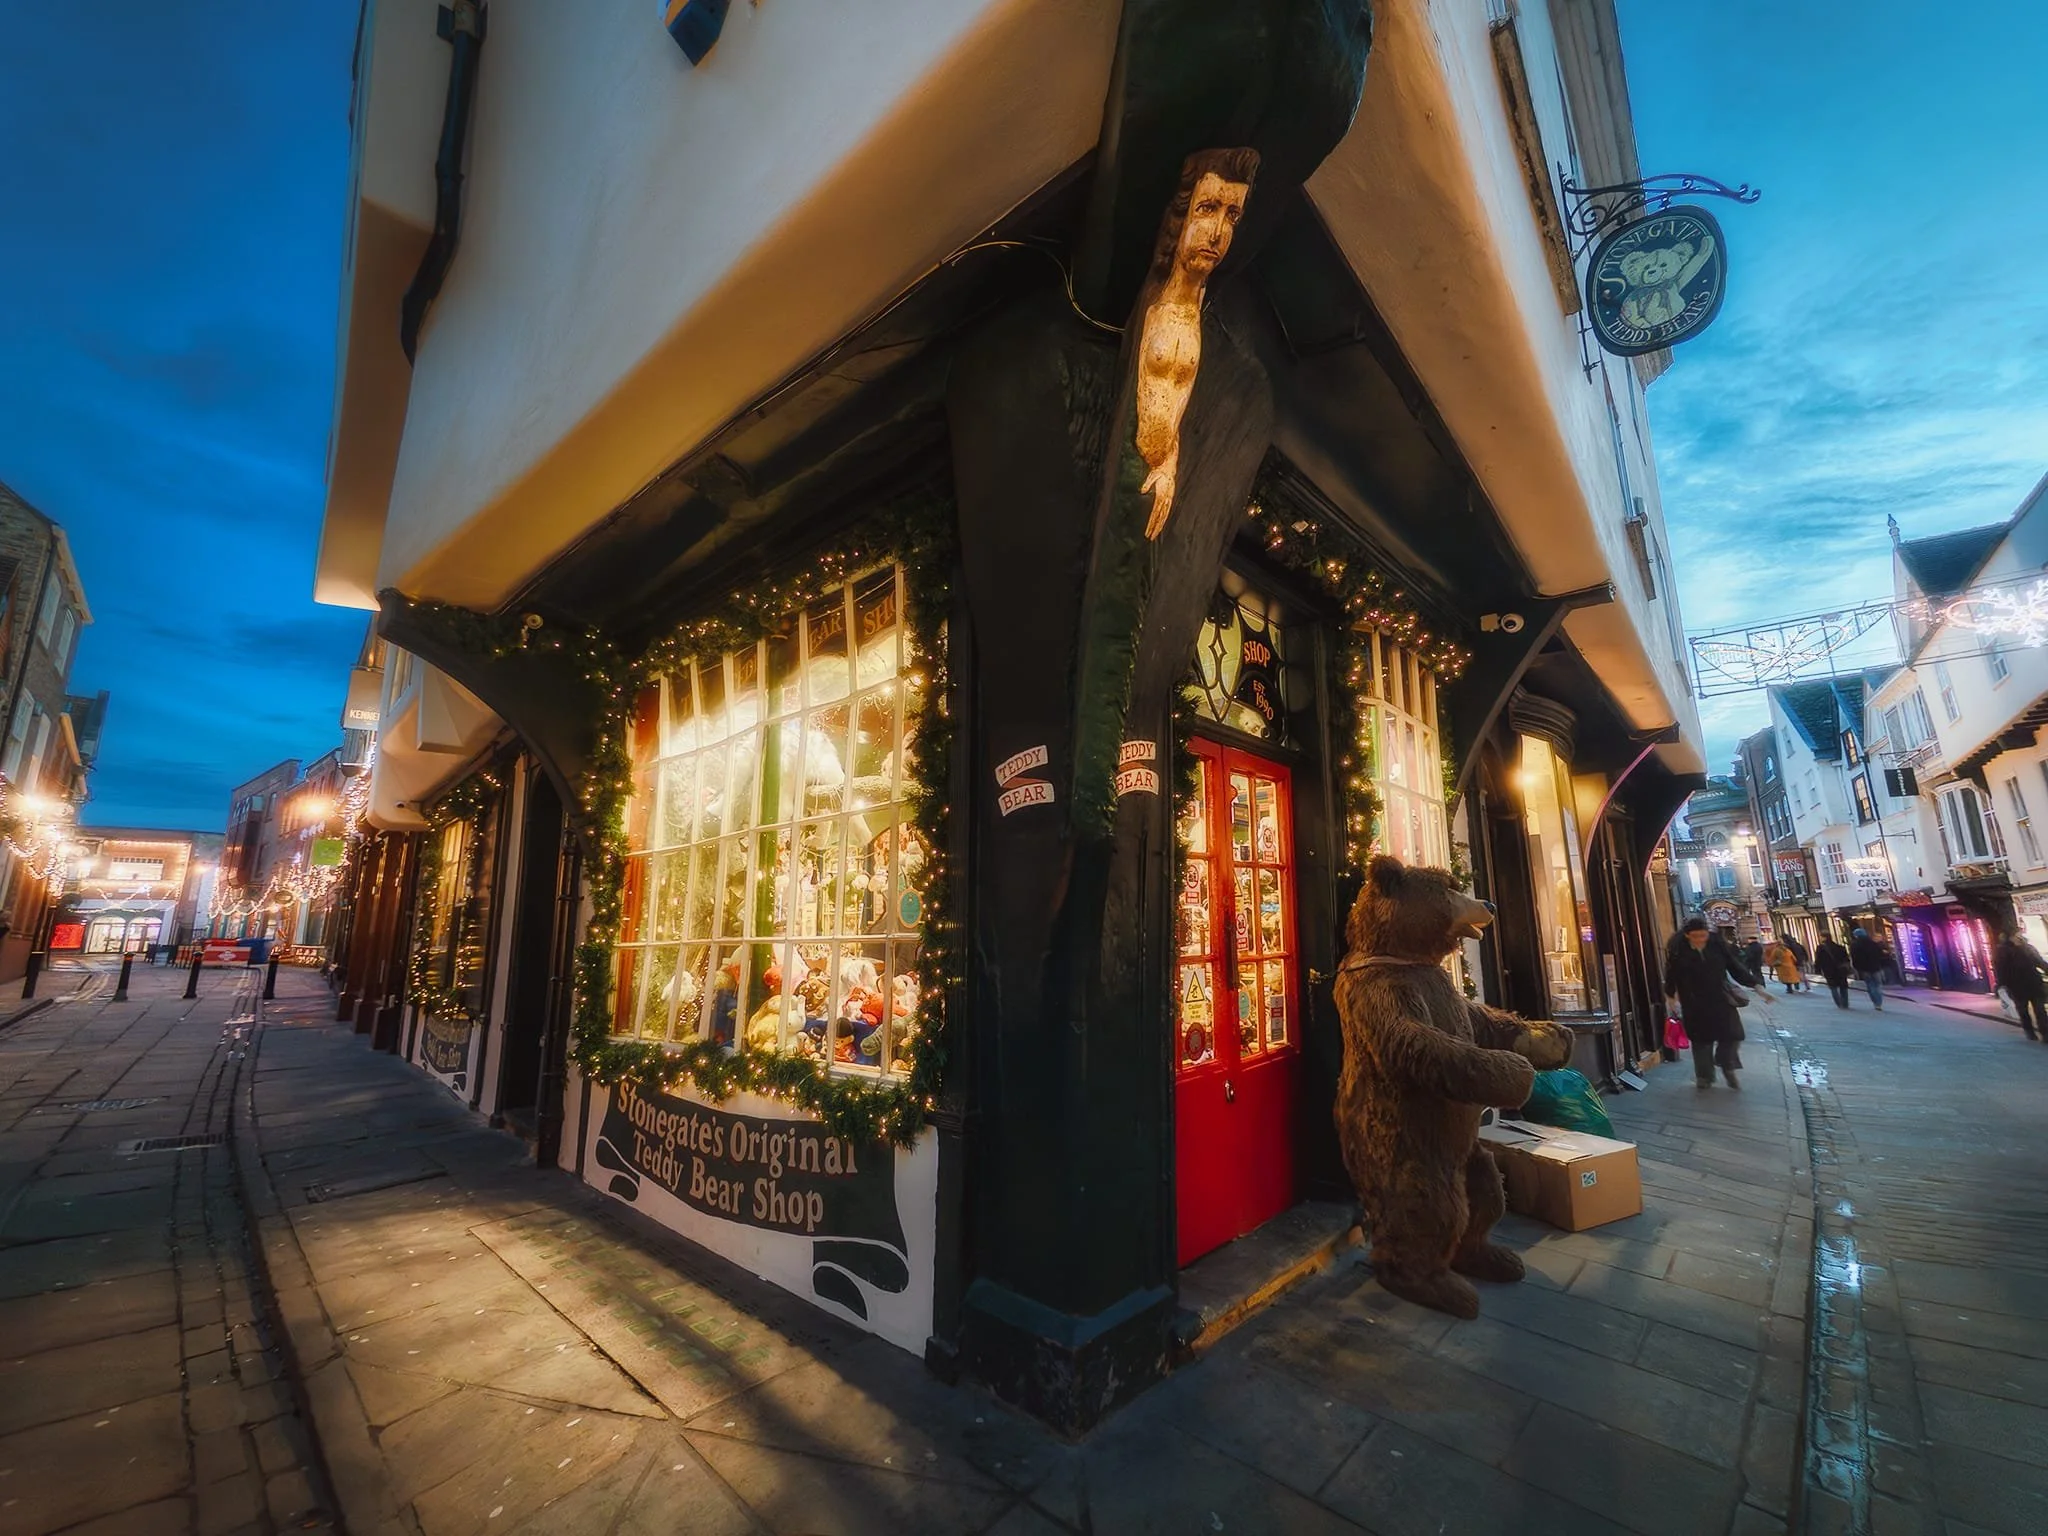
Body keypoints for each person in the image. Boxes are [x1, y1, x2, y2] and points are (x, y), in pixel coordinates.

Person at [1665, 917, 1763, 1089]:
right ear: (1687, 935)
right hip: (1693, 1002)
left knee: (1733, 1035)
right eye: (1696, 936)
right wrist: (1670, 997)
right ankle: (1704, 1077)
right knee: (1701, 1040)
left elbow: (1734, 967)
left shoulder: (1716, 945)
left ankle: (1727, 1065)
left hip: (1720, 999)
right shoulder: (1678, 951)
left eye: (1703, 935)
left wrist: (1755, 984)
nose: (1701, 939)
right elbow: (1671, 975)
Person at [1992, 928, 2048, 1042]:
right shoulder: (2003, 950)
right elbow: (2000, 969)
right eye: (2017, 935)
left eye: (2020, 935)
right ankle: (2029, 1031)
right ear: (2011, 937)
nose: (2020, 937)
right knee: (2023, 1010)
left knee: (2040, 1010)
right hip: (2017, 985)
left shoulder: (2028, 948)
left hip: (2034, 983)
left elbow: (2039, 962)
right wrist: (2001, 984)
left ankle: (2046, 1034)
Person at [1849, 926, 1891, 1010]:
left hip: (1864, 969)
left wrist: (1856, 967)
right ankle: (1879, 1003)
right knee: (1878, 985)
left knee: (1870, 985)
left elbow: (1854, 957)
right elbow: (1880, 954)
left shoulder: (1854, 945)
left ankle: (1875, 1002)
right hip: (1876, 967)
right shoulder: (1873, 943)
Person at [1815, 928, 1854, 1009]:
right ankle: (1845, 1003)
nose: (1820, 938)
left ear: (1824, 937)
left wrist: (1818, 970)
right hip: (1841, 970)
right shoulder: (1840, 947)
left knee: (1833, 987)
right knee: (1843, 987)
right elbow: (1846, 959)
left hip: (1829, 970)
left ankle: (1839, 1004)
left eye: (1821, 936)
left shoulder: (1820, 948)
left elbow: (1818, 960)